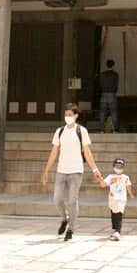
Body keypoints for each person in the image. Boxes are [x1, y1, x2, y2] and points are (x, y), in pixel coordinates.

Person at [40, 103, 104, 241]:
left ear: (76, 116)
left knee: (72, 201)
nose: (67, 117)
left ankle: (71, 229)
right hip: (61, 170)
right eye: (66, 115)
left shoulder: (81, 131)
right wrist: (46, 170)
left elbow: (86, 152)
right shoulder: (60, 131)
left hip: (76, 171)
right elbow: (54, 152)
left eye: (70, 115)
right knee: (57, 199)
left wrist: (95, 170)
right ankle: (64, 219)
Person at [101, 157, 135, 241]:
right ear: (113, 166)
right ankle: (114, 229)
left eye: (121, 167)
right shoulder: (110, 177)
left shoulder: (126, 177)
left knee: (119, 214)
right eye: (117, 166)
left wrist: (131, 194)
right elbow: (103, 184)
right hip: (112, 198)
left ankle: (117, 231)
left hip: (121, 198)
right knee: (113, 212)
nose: (118, 168)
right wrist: (100, 179)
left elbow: (128, 186)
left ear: (123, 168)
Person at [97, 59, 119, 133]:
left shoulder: (102, 74)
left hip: (104, 94)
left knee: (102, 113)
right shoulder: (115, 74)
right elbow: (116, 86)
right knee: (114, 112)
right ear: (113, 65)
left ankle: (101, 130)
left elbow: (100, 85)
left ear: (106, 65)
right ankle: (115, 129)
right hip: (112, 94)